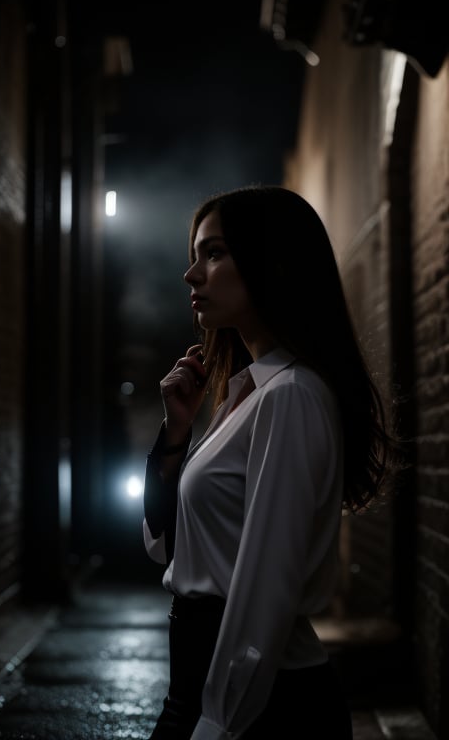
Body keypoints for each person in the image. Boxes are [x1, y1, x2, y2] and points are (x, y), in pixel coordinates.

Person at [142, 185, 404, 740]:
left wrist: (218, 720)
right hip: (204, 682)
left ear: (272, 262)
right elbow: (168, 546)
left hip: (263, 700)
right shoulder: (246, 394)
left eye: (214, 253)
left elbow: (266, 587)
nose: (192, 274)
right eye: (196, 254)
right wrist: (176, 433)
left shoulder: (290, 395)